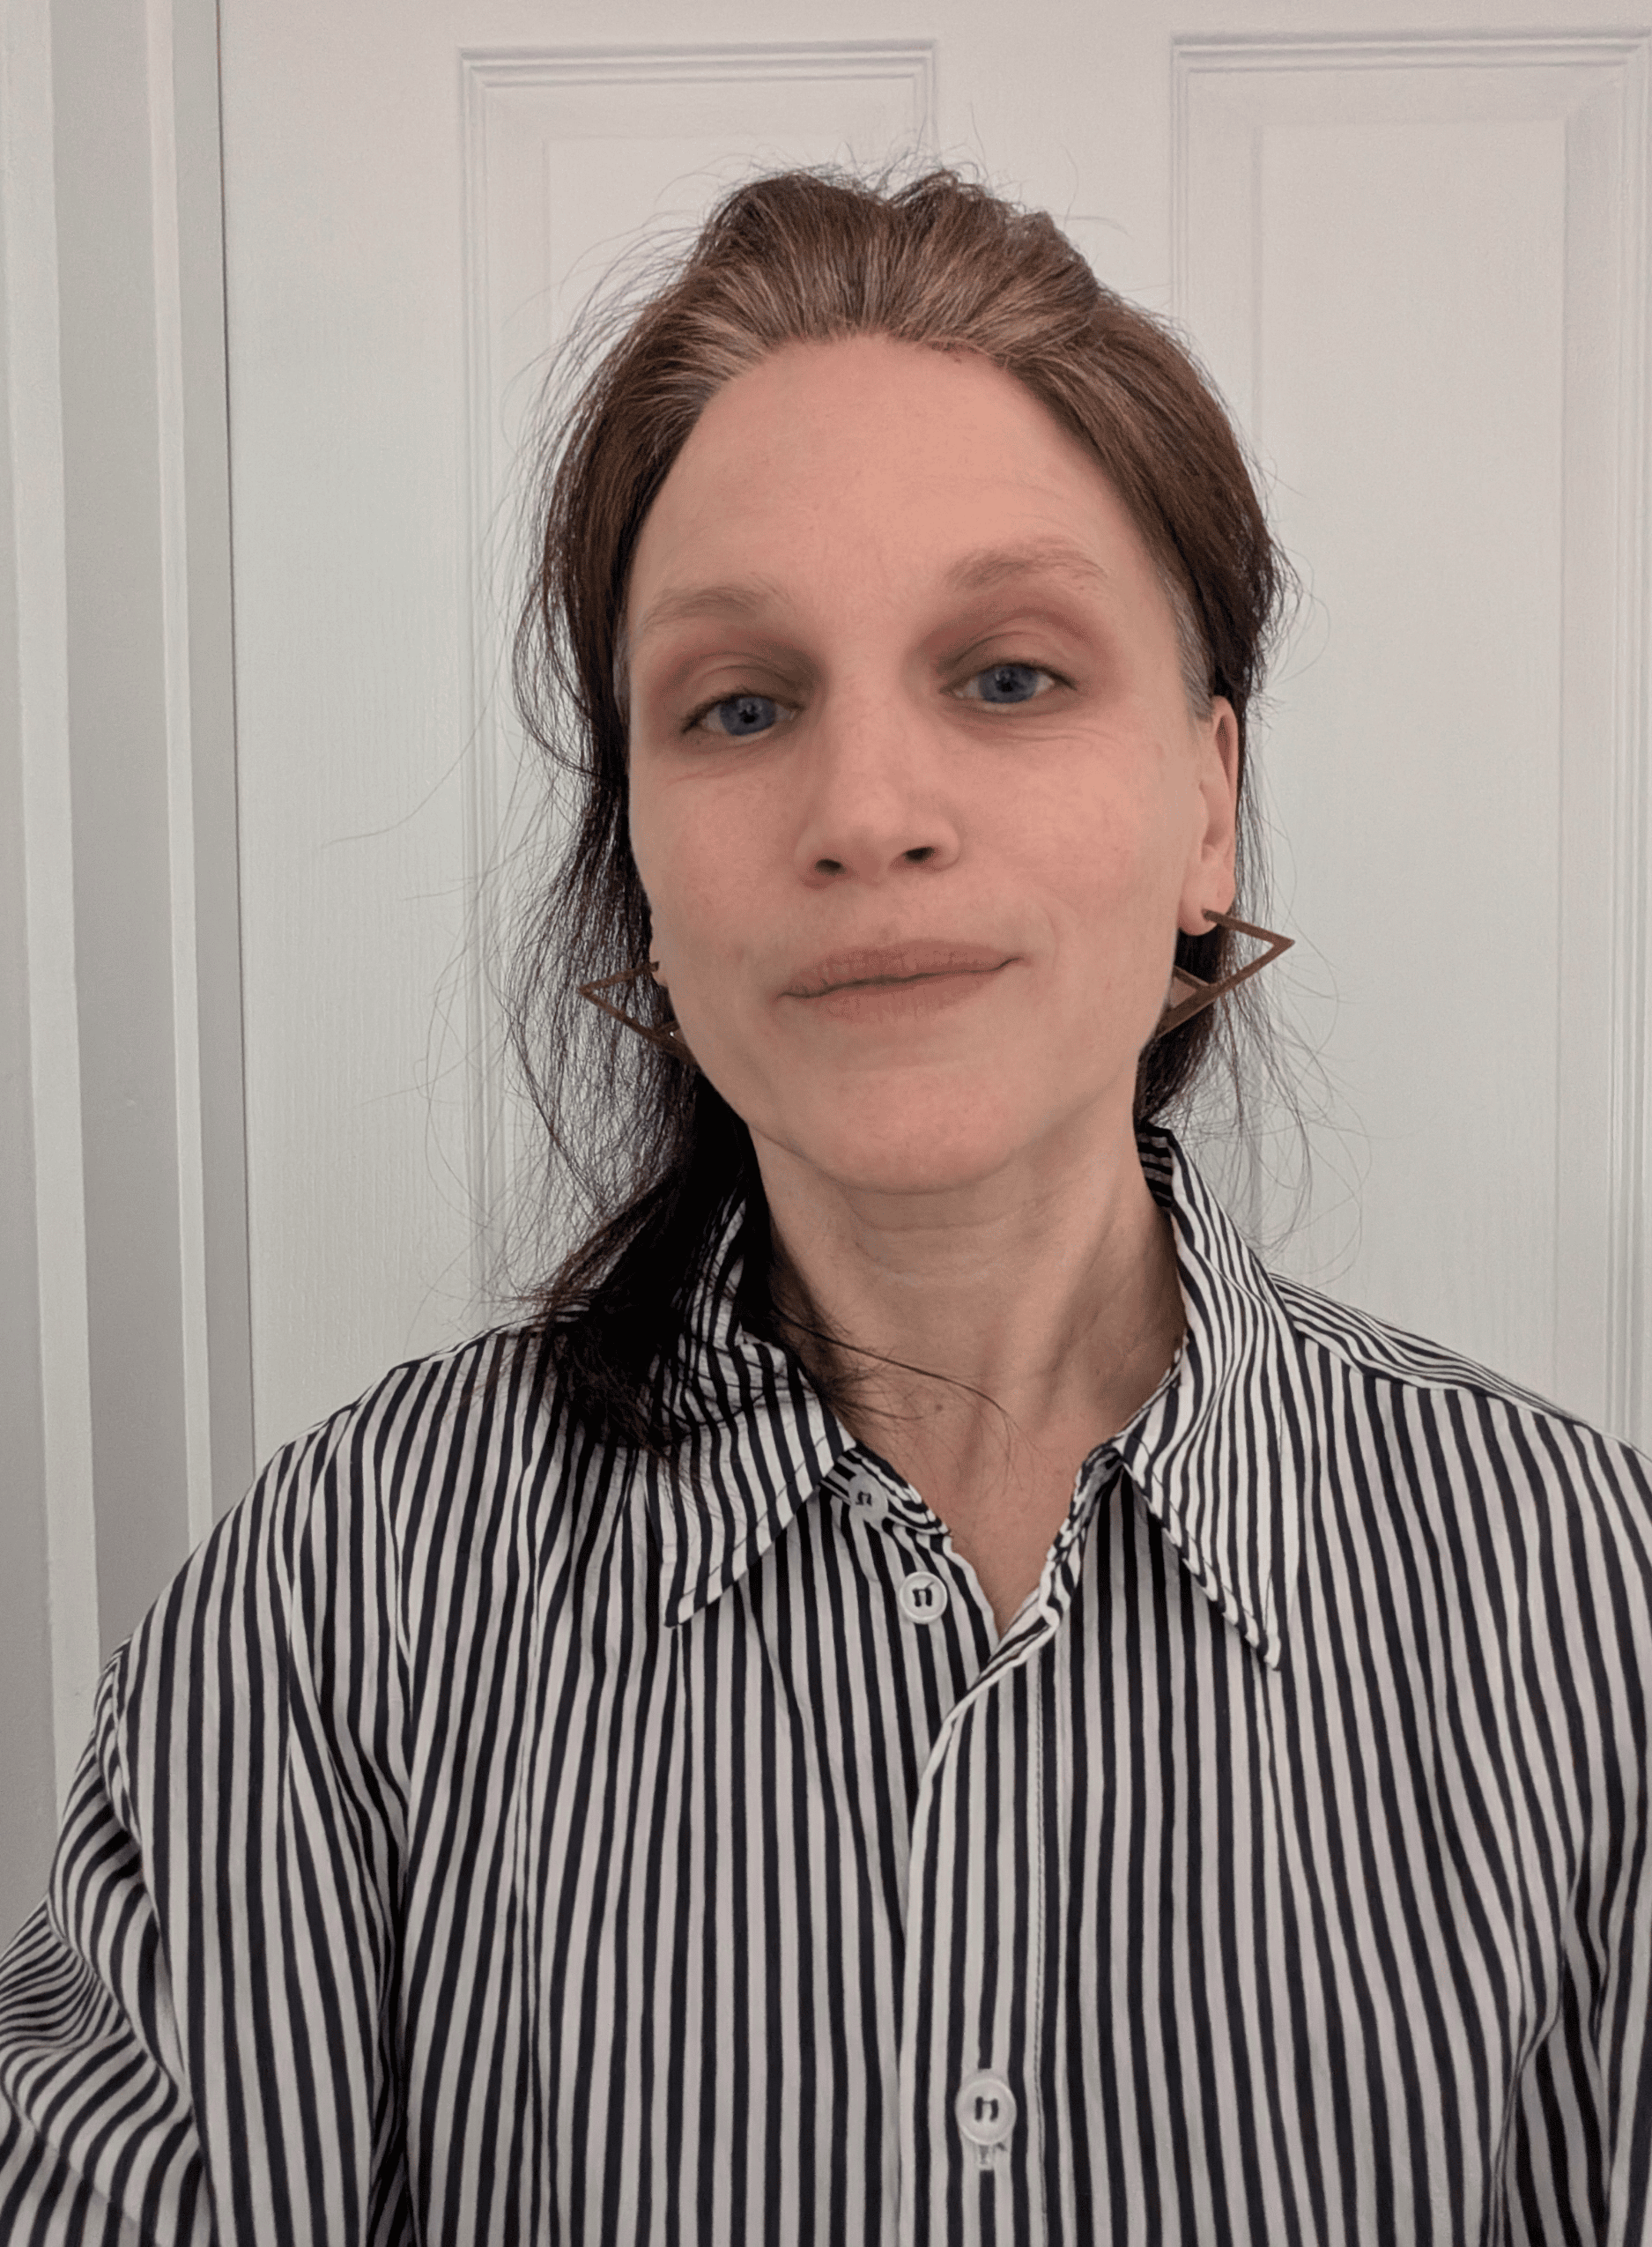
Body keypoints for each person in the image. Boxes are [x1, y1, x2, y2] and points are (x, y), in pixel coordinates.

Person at [1, 164, 1648, 2247]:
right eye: (741, 707)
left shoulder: (1592, 1620)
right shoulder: (329, 1622)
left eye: (1010, 676)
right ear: (648, 879)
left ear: (1207, 806)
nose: (866, 813)